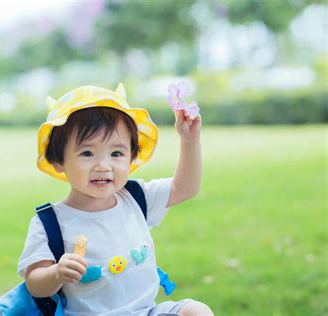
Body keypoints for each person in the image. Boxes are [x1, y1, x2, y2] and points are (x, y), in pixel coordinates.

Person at [18, 83, 213, 315]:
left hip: (146, 311)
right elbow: (35, 284)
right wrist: (56, 273)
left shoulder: (136, 197)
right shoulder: (50, 222)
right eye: (87, 153)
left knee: (196, 311)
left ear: (131, 158)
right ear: (58, 160)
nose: (103, 165)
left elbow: (186, 187)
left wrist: (189, 141)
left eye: (116, 153)